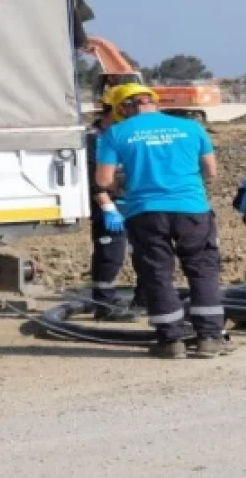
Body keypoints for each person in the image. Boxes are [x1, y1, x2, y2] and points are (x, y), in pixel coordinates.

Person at [94, 83, 231, 359]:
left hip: (145, 212)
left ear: (122, 108)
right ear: (154, 102)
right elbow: (211, 172)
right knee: (202, 269)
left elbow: (104, 180)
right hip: (191, 208)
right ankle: (210, 339)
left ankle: (171, 341)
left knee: (157, 274)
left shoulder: (115, 133)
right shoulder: (192, 128)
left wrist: (125, 189)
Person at [84, 89, 138, 321]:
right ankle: (103, 304)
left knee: (145, 253)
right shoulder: (94, 138)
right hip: (110, 205)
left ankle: (145, 298)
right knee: (110, 254)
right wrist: (107, 206)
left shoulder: (128, 133)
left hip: (135, 203)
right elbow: (89, 174)